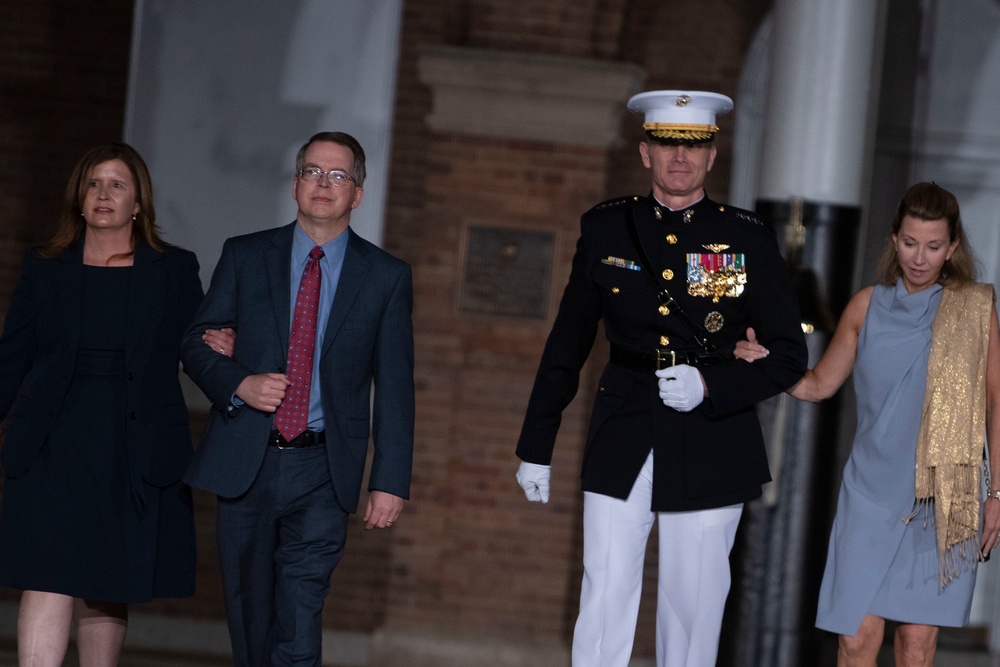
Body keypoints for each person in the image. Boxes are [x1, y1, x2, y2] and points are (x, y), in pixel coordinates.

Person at [514, 90, 808, 666]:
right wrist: (536, 445)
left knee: (694, 606)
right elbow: (568, 342)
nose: (681, 158)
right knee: (604, 593)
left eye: (694, 145)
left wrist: (712, 385)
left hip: (713, 432)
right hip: (624, 421)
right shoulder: (606, 229)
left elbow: (789, 356)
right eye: (668, 144)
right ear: (645, 151)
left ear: (712, 156)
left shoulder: (745, 236)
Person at [736, 182, 1000, 666]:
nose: (920, 257)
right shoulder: (866, 306)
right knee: (856, 640)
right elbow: (818, 385)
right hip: (871, 493)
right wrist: (767, 365)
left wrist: (997, 494)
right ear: (894, 239)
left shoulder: (974, 310)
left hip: (943, 498)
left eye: (934, 246)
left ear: (953, 247)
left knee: (916, 643)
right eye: (910, 242)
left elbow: (995, 402)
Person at [180, 131, 414, 666]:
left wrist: (389, 480)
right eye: (312, 171)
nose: (323, 184)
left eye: (338, 175)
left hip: (323, 469)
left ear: (357, 194)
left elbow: (397, 386)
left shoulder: (385, 277)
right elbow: (196, 343)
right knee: (249, 614)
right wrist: (239, 382)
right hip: (248, 459)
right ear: (294, 185)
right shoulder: (244, 255)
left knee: (301, 610)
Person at [0, 142, 202, 665]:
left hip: (131, 446)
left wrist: (226, 350)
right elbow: (12, 356)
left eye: (117, 184)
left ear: (138, 202)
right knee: (48, 571)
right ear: (79, 198)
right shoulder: (46, 266)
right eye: (93, 183)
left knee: (107, 577)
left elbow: (199, 345)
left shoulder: (174, 270)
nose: (103, 193)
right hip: (52, 441)